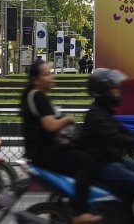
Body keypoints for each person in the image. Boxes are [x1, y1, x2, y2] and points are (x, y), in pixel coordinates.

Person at [21, 59, 101, 224]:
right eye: (46, 74)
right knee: (87, 162)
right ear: (36, 80)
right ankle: (80, 212)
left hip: (40, 151)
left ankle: (66, 206)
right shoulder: (38, 96)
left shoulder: (34, 95)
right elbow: (50, 125)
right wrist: (68, 120)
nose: (51, 77)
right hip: (45, 152)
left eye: (51, 73)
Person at [80, 69, 134, 224]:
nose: (117, 93)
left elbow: (124, 130)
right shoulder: (94, 115)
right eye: (113, 90)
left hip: (114, 160)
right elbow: (114, 138)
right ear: (102, 92)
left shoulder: (105, 112)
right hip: (102, 165)